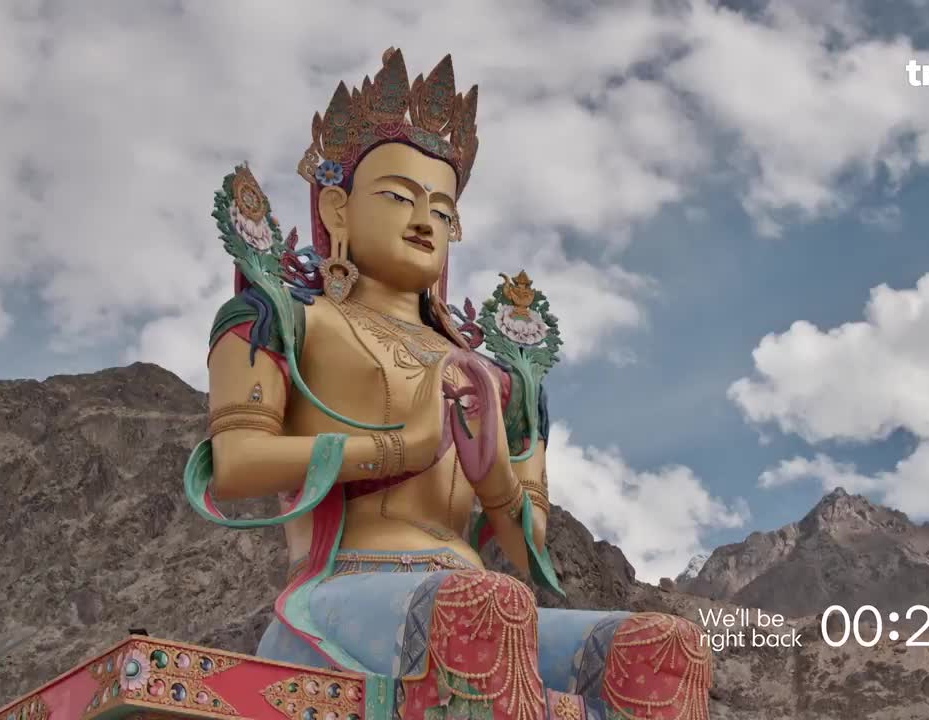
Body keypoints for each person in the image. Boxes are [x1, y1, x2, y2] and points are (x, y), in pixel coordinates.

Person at [185, 48, 711, 720]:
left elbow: (526, 548)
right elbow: (234, 464)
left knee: (664, 646)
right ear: (339, 212)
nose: (423, 220)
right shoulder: (286, 320)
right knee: (488, 611)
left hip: (478, 599)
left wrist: (491, 471)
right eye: (398, 197)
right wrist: (403, 447)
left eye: (441, 208)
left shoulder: (498, 379)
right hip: (347, 597)